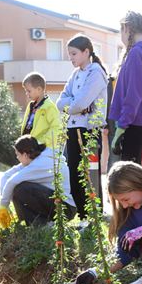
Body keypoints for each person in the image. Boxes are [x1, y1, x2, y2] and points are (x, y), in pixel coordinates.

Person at [56, 34, 108, 219]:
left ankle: (94, 215)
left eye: (74, 53)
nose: (71, 58)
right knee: (74, 172)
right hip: (72, 127)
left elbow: (79, 102)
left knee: (89, 173)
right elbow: (60, 102)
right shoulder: (75, 74)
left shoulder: (96, 72)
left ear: (86, 52)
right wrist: (77, 106)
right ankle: (83, 215)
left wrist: (76, 106)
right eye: (69, 54)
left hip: (89, 129)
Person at [108, 11, 142, 164]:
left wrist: (122, 126)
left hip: (133, 123)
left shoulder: (136, 54)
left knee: (130, 175)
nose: (121, 36)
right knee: (133, 171)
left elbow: (134, 94)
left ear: (127, 29)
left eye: (121, 30)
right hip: (137, 122)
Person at [0, 135, 76, 227]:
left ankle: (42, 225)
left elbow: (12, 181)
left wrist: (3, 206)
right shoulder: (37, 156)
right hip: (58, 202)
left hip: (66, 208)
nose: (17, 158)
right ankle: (34, 222)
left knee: (21, 189)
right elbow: (7, 176)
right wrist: (6, 205)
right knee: (19, 188)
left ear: (25, 155)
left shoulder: (40, 163)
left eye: (18, 155)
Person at [21, 72, 63, 149]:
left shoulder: (49, 107)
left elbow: (56, 128)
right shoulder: (31, 106)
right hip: (30, 148)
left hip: (44, 149)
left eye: (29, 91)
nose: (27, 94)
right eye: (26, 91)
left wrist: (41, 142)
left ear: (39, 89)